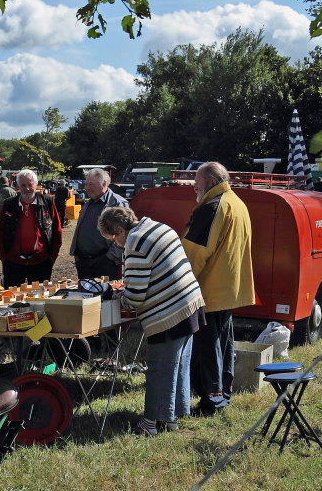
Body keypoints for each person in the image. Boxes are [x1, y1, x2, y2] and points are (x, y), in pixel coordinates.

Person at [99, 206, 204, 435]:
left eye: (113, 238)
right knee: (179, 364)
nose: (116, 244)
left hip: (170, 311)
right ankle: (172, 416)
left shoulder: (135, 243)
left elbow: (135, 296)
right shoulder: (157, 226)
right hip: (191, 302)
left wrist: (119, 297)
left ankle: (151, 424)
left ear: (120, 230)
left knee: (160, 368)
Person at [183, 162, 255, 416]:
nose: (194, 187)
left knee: (208, 346)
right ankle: (222, 392)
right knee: (223, 344)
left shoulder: (213, 207)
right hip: (228, 287)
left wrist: (180, 281)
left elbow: (195, 253)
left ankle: (211, 401)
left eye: (197, 183)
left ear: (211, 182)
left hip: (209, 289)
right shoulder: (237, 202)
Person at [0, 169, 63, 287]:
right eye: (23, 185)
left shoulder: (48, 202)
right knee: (11, 297)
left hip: (41, 262)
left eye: (30, 185)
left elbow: (57, 230)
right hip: (13, 262)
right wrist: (3, 257)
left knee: (40, 297)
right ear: (17, 186)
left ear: (36, 185)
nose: (27, 188)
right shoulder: (8, 205)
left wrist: (52, 257)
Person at [69, 167, 130, 281]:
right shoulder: (89, 203)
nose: (87, 188)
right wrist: (76, 254)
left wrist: (110, 258)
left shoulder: (117, 203)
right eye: (86, 184)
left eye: (91, 184)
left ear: (104, 184)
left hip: (105, 264)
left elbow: (125, 234)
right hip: (83, 263)